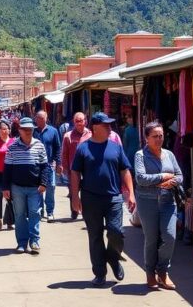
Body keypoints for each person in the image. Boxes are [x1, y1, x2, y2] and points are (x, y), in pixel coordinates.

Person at [70, 113, 136, 287]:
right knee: (95, 236)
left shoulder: (115, 147)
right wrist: (75, 198)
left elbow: (125, 170)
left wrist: (131, 192)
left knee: (116, 232)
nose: (110, 128)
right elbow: (75, 173)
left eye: (110, 125)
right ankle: (100, 273)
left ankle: (113, 258)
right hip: (91, 199)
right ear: (95, 127)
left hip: (113, 198)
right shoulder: (83, 148)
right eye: (106, 125)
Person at [134, 121, 183, 290]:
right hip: (147, 202)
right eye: (154, 136)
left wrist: (172, 181)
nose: (158, 139)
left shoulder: (169, 154)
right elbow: (141, 178)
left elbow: (179, 175)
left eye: (161, 135)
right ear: (146, 138)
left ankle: (163, 271)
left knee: (170, 237)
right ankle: (150, 273)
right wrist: (163, 176)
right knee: (151, 239)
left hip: (168, 201)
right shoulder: (140, 155)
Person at [2, 117, 51, 254]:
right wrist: (5, 188)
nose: (28, 131)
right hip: (17, 187)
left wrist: (43, 183)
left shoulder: (39, 145)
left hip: (35, 188)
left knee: (35, 213)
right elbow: (7, 169)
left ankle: (34, 241)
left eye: (30, 129)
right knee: (19, 215)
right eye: (25, 129)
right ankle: (22, 243)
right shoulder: (12, 147)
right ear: (20, 130)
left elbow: (45, 167)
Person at [60, 112, 92, 220]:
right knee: (73, 190)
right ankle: (74, 211)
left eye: (81, 121)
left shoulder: (90, 135)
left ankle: (86, 211)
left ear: (85, 121)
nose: (79, 123)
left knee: (87, 191)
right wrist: (64, 168)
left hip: (88, 169)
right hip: (73, 169)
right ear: (74, 122)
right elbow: (64, 153)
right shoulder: (68, 136)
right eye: (77, 121)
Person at [33, 110, 62, 221]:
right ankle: (40, 211)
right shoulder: (33, 131)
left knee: (51, 188)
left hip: (49, 165)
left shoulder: (53, 131)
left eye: (42, 118)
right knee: (38, 189)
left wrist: (59, 163)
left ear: (46, 118)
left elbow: (58, 148)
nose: (40, 120)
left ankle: (50, 211)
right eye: (38, 118)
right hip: (36, 165)